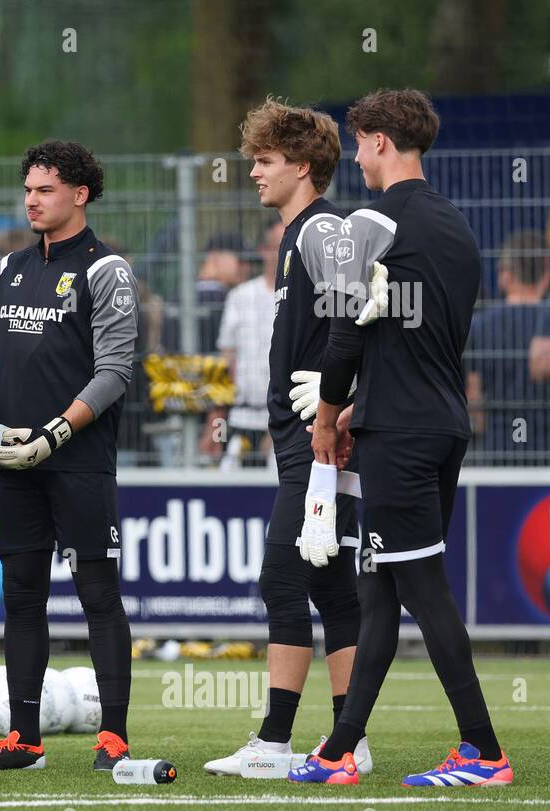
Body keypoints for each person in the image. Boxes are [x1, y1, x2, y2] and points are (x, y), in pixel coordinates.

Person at [295, 89, 512, 787]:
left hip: (404, 435)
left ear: (382, 141)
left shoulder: (369, 222)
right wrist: (366, 406)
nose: (355, 155)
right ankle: (338, 753)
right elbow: (421, 336)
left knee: (421, 587)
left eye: (359, 142)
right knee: (380, 589)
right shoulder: (455, 225)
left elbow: (344, 332)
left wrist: (329, 417)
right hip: (439, 422)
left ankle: (483, 750)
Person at [0, 139, 137, 772]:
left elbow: (114, 373)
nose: (32, 199)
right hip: (9, 460)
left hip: (77, 461)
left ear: (79, 195)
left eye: (45, 189)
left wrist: (55, 433)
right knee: (22, 596)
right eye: (28, 188)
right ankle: (23, 739)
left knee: (97, 593)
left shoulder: (105, 270)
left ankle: (113, 736)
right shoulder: (10, 268)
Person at [203, 98, 368, 776]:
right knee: (328, 587)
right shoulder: (300, 236)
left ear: (303, 166)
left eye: (265, 162)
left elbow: (356, 321)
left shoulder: (322, 231)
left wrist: (338, 404)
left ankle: (276, 741)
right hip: (304, 437)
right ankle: (346, 740)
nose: (254, 174)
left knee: (282, 577)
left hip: (316, 437)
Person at [467, 231, 550, 465]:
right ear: (546, 273)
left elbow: (473, 396)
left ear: (505, 276)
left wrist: (486, 429)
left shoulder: (480, 327)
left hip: (501, 444)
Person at [213, 220, 284, 470]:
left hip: (283, 417)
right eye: (278, 246)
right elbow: (226, 359)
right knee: (228, 482)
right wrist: (217, 415)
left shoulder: (301, 297)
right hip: (241, 414)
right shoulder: (239, 297)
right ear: (264, 250)